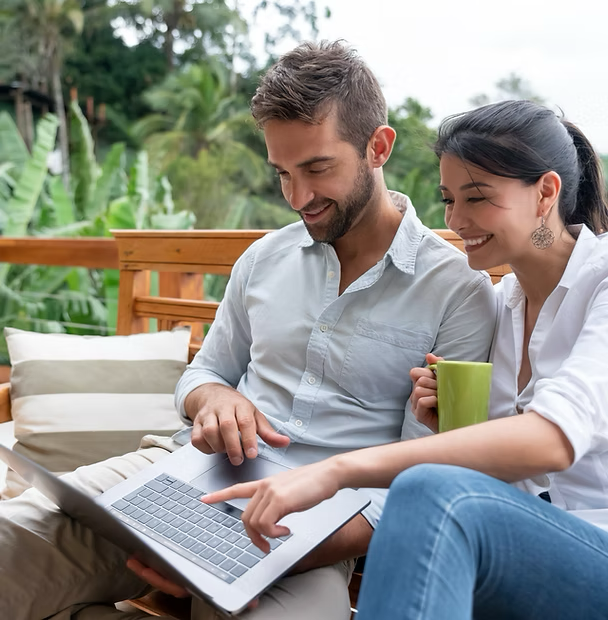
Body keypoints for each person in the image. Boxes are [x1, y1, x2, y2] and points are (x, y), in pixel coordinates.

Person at [0, 41, 495, 620]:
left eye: (316, 168)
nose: (298, 197)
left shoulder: (458, 291)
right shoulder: (263, 260)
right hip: (173, 473)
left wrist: (243, 555)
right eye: (282, 173)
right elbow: (202, 374)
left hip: (308, 529)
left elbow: (415, 484)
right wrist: (214, 398)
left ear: (377, 147)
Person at [204, 99, 608, 619]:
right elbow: (503, 469)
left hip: (591, 545)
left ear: (546, 192)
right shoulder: (502, 303)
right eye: (448, 199)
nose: (458, 220)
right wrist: (451, 425)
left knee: (426, 493)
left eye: (478, 198)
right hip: (522, 546)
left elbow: (552, 440)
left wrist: (337, 472)